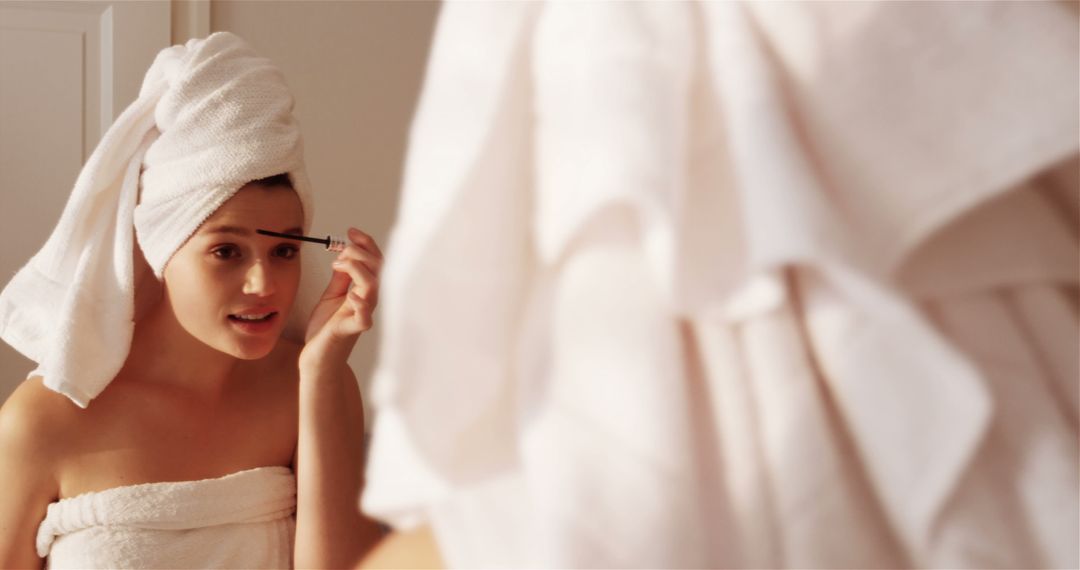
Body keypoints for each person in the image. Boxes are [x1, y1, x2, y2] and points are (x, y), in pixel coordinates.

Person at [0, 33, 384, 568]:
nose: (262, 284)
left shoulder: (313, 385)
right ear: (160, 247)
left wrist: (319, 375)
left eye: (284, 250)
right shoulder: (46, 419)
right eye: (227, 251)